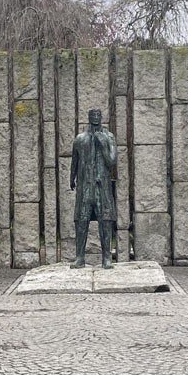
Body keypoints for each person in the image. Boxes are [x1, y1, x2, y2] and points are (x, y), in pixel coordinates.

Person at [70, 108, 117, 269]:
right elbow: (74, 161)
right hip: (84, 186)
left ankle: (106, 258)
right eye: (93, 117)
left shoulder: (109, 137)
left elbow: (112, 162)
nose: (95, 120)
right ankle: (80, 257)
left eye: (97, 117)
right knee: (81, 221)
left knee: (105, 221)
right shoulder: (80, 138)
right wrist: (72, 178)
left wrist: (103, 144)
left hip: (102, 186)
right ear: (89, 119)